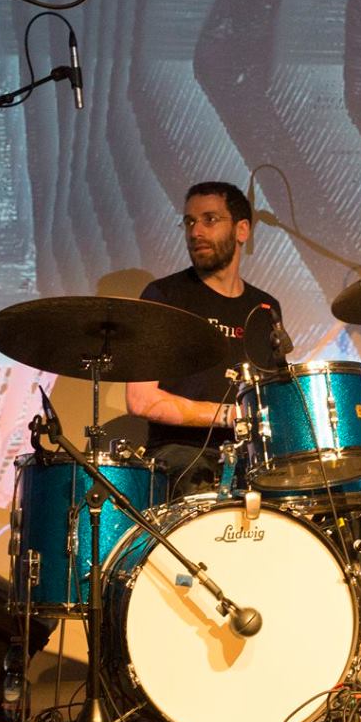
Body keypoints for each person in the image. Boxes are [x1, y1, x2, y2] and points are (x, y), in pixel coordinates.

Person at [125, 181, 288, 500]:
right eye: (189, 222)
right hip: (180, 454)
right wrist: (230, 415)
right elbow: (140, 399)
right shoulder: (164, 296)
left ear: (242, 230)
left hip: (252, 458)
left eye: (209, 220)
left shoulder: (266, 308)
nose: (196, 232)